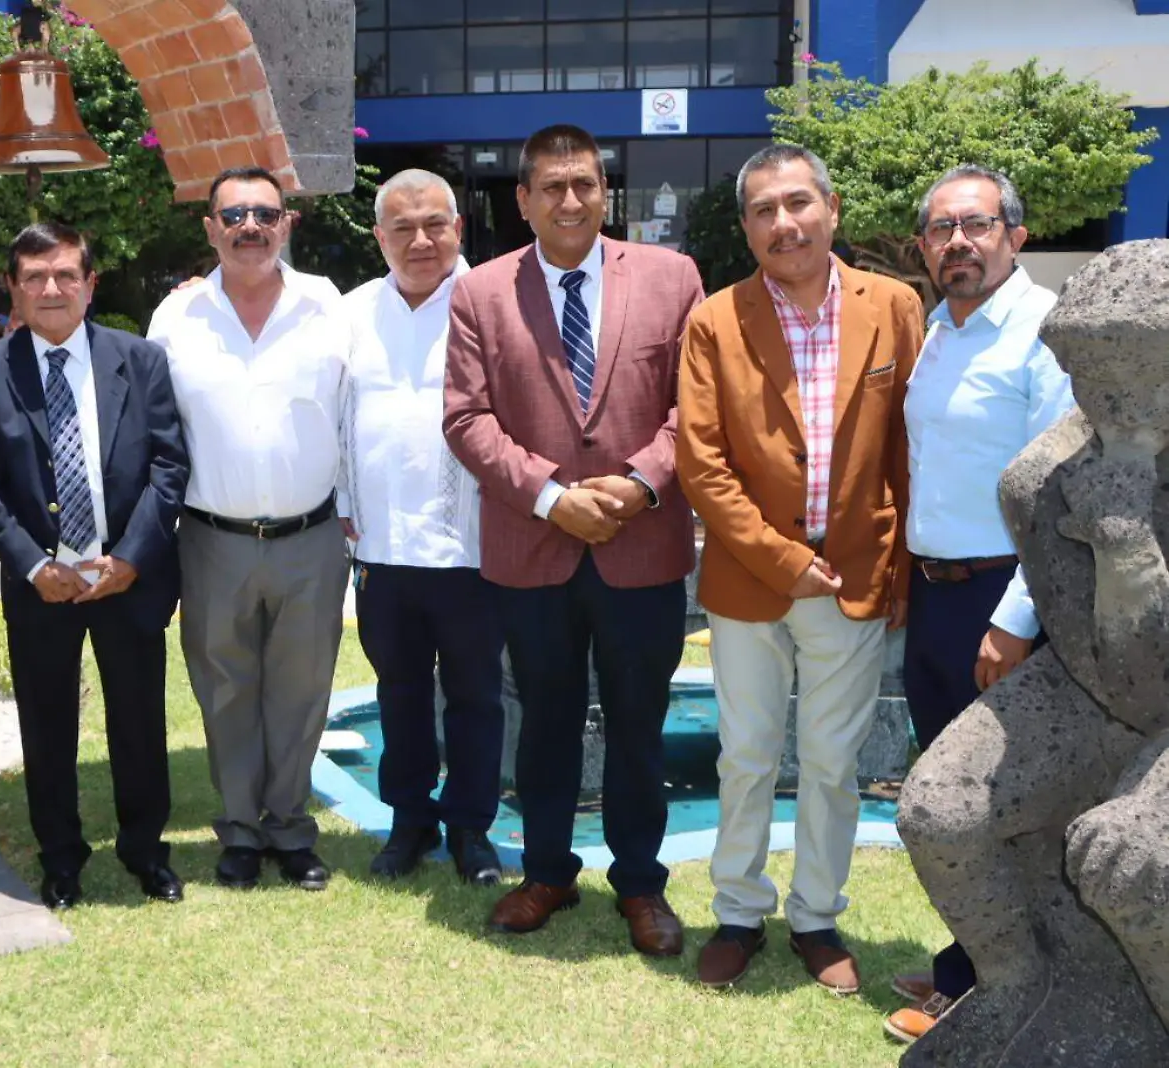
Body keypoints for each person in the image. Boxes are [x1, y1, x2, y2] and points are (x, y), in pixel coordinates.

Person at [443, 125, 706, 955]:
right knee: (547, 722)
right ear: (522, 201)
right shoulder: (481, 293)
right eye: (550, 187)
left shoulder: (673, 278)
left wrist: (635, 484)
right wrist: (552, 498)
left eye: (584, 184)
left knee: (639, 722)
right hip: (535, 550)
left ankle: (640, 884)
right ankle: (548, 873)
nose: (569, 200)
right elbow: (465, 418)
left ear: (605, 192)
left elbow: (697, 408)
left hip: (643, 542)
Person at [678, 144, 921, 994]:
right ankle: (739, 911)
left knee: (830, 760)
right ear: (745, 227)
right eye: (762, 211)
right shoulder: (714, 320)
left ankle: (816, 915)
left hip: (855, 576)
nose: (783, 223)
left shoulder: (893, 306)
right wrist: (784, 561)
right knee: (743, 754)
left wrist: (897, 569)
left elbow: (906, 444)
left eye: (797, 203)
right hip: (750, 582)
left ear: (832, 207)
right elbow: (702, 465)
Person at [882, 166, 1073, 1044]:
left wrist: (1017, 618)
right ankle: (968, 962)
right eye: (940, 229)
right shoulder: (934, 331)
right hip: (934, 594)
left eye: (976, 225)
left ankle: (1004, 988)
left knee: (1002, 806)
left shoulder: (1046, 333)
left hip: (1005, 597)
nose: (957, 241)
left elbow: (1057, 491)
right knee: (947, 794)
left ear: (1015, 236)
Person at [0, 221, 188, 909]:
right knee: (47, 722)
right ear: (14, 288)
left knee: (138, 720)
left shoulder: (140, 359)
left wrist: (131, 558)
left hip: (127, 577)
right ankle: (61, 858)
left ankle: (145, 849)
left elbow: (168, 464)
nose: (51, 288)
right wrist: (35, 566)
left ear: (91, 285)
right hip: (42, 584)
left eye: (66, 274)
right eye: (34, 277)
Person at [146, 166, 349, 892]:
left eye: (265, 213)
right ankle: (238, 831)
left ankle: (289, 829)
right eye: (233, 216)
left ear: (288, 224)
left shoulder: (330, 308)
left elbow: (355, 410)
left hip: (312, 538)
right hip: (212, 540)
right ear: (210, 229)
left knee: (301, 690)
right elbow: (157, 431)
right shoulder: (175, 318)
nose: (250, 227)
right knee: (225, 690)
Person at [341, 169, 505, 885]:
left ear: (458, 228)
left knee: (475, 696)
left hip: (471, 549)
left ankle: (471, 829)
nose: (419, 240)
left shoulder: (494, 304)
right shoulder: (347, 313)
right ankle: (409, 822)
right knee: (398, 693)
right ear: (379, 237)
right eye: (402, 227)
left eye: (434, 223)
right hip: (380, 551)